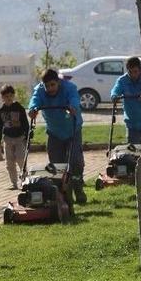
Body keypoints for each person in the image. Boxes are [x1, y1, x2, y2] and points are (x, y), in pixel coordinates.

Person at [28, 69, 87, 204]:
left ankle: (78, 189)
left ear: (58, 82)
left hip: (73, 130)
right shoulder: (40, 90)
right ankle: (62, 195)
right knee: (56, 165)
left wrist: (72, 106)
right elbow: (35, 99)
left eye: (52, 85)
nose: (50, 89)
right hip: (54, 132)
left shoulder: (69, 87)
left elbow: (74, 98)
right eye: (47, 86)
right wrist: (33, 109)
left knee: (75, 161)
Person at [110, 56, 141, 178]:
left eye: (136, 71)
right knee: (133, 149)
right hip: (132, 122)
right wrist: (115, 96)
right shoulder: (122, 81)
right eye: (130, 72)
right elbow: (115, 90)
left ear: (140, 70)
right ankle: (135, 172)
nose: (133, 74)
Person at [0, 84, 29, 190]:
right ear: (2, 98)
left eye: (10, 96)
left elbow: (25, 124)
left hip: (19, 138)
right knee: (9, 162)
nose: (8, 98)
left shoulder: (19, 108)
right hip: (8, 139)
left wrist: (27, 138)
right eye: (6, 96)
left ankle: (24, 181)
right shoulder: (0, 112)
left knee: (20, 159)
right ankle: (14, 183)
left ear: (13, 96)